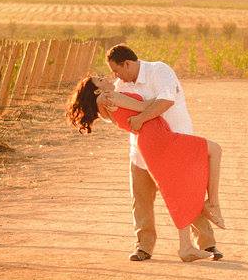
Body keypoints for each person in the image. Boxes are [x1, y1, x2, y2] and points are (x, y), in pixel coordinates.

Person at [73, 44, 224, 262]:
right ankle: (144, 246)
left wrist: (141, 116)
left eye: (117, 70)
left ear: (128, 64)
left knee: (187, 191)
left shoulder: (158, 71)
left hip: (174, 139)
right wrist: (108, 102)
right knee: (142, 200)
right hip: (143, 150)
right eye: (111, 74)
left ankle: (207, 244)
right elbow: (120, 115)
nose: (114, 76)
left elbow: (166, 101)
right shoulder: (117, 87)